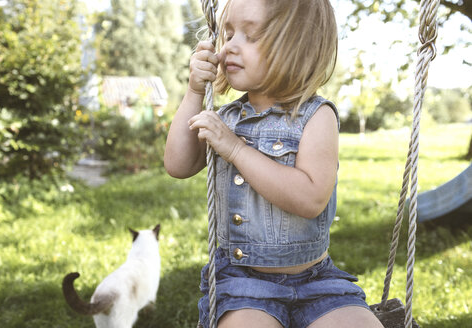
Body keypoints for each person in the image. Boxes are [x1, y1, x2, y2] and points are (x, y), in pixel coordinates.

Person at [164, 0, 384, 327]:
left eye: (250, 36)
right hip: (242, 283)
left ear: (297, 47)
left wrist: (236, 150)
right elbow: (178, 164)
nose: (230, 48)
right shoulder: (224, 118)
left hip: (317, 282)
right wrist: (195, 91)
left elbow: (310, 199)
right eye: (228, 35)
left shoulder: (317, 117)